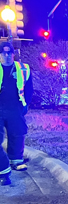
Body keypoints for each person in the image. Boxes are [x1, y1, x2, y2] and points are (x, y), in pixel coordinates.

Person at [0, 42, 33, 186]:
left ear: (13, 54)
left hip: (16, 107)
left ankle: (16, 161)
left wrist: (25, 105)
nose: (7, 56)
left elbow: (29, 88)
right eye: (3, 53)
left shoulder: (23, 68)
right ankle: (4, 167)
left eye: (9, 53)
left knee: (17, 134)